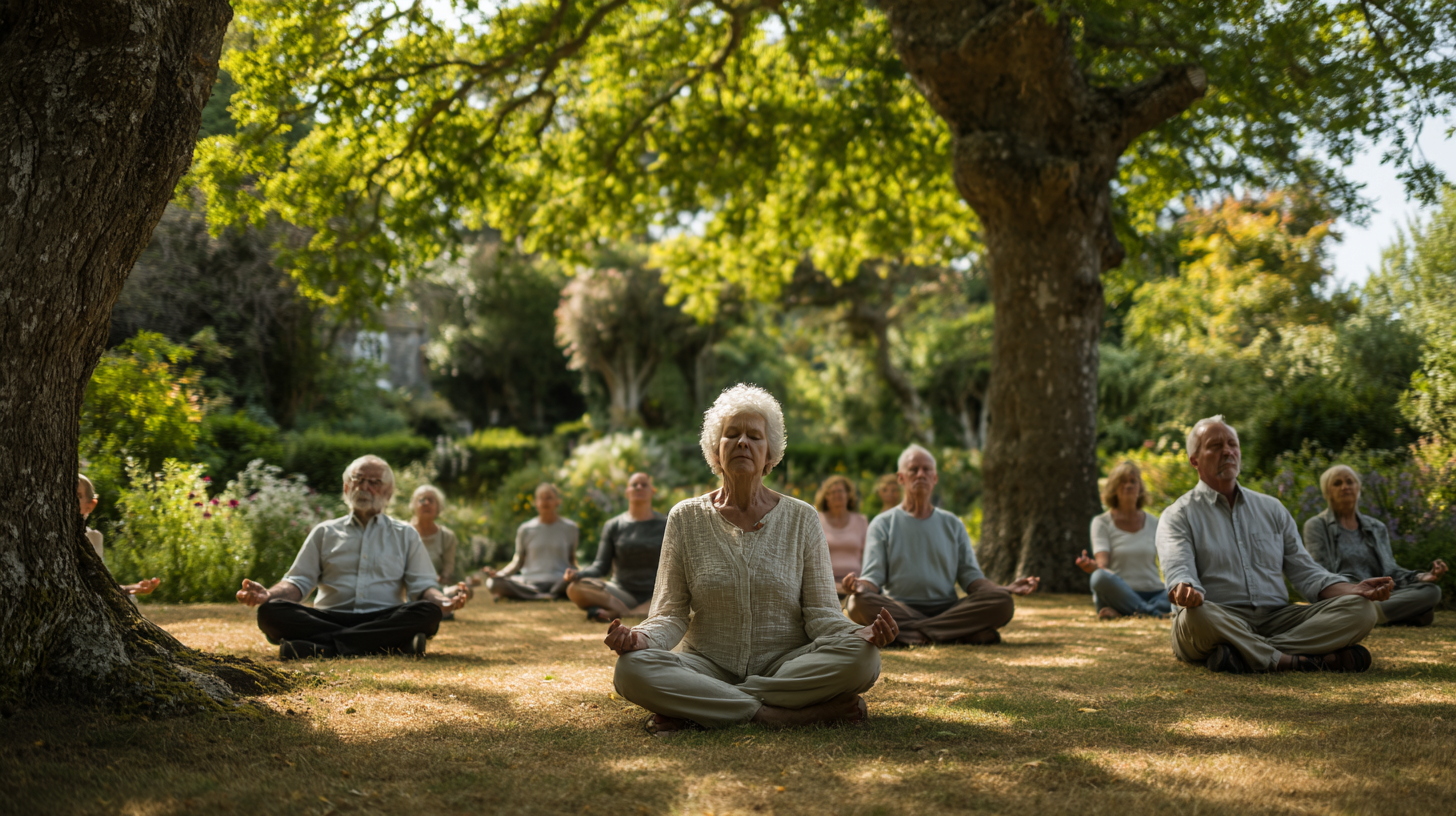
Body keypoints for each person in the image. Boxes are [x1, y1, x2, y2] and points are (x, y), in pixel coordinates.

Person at [606, 384, 898, 734]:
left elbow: (822, 614)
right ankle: (783, 715)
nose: (742, 442)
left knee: (864, 660)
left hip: (787, 666)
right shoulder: (685, 518)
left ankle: (704, 706)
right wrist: (639, 639)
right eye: (732, 434)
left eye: (754, 436)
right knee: (631, 670)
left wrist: (858, 633)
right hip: (706, 664)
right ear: (715, 451)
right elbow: (669, 613)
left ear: (770, 455)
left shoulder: (802, 518)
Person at [1157, 416, 1393, 674]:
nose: (1227, 451)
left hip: (1277, 620)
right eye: (1215, 445)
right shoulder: (1178, 514)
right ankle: (1294, 660)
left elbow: (1306, 572)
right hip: (1218, 618)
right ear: (1195, 459)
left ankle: (1246, 654)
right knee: (1196, 617)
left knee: (1362, 610)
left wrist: (1354, 589)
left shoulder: (1272, 508)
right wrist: (1185, 589)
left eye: (1232, 444)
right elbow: (1179, 569)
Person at [235, 455, 470, 660]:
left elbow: (423, 587)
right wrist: (268, 594)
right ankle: (387, 645)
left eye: (374, 482)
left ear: (388, 493)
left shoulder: (405, 534)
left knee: (428, 612)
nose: (364, 487)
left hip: (383, 617)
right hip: (329, 616)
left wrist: (442, 602)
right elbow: (298, 582)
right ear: (346, 487)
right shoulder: (325, 531)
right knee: (271, 611)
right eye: (358, 480)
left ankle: (321, 648)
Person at [842, 444, 1039, 646]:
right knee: (857, 603)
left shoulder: (953, 523)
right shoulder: (882, 523)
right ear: (901, 477)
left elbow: (973, 580)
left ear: (934, 478)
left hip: (948, 609)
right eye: (913, 469)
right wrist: (859, 586)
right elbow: (872, 580)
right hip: (900, 609)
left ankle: (912, 635)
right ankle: (956, 634)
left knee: (1003, 602)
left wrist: (1005, 588)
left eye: (926, 470)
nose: (920, 474)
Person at [1303, 464, 1446, 627]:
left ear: (1358, 487)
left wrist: (1423, 577)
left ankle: (1368, 614)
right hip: (1347, 596)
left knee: (1432, 591)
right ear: (1327, 492)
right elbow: (1321, 576)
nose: (1345, 487)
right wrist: (1356, 590)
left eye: (1350, 482)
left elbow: (1391, 571)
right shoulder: (1316, 526)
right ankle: (1380, 613)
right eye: (1337, 483)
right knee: (1424, 615)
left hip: (1380, 596)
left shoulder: (1376, 527)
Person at [565, 472, 666, 622]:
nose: (639, 487)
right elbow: (600, 567)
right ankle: (628, 612)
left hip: (656, 594)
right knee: (574, 588)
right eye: (634, 485)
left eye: (644, 485)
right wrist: (577, 575)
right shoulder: (613, 525)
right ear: (627, 491)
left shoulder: (666, 524)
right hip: (621, 593)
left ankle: (615, 613)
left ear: (652, 491)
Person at [1074, 462, 1168, 619]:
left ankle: (1132, 613)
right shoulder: (1101, 522)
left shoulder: (1155, 522)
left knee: (1188, 585)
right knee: (1099, 577)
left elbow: (1171, 562)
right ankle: (1154, 613)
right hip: (1120, 596)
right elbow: (1102, 565)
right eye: (1122, 482)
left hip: (1156, 594)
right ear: (1114, 489)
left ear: (1140, 487)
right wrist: (1093, 566)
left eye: (1133, 481)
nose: (1128, 485)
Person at [484, 483, 578, 601]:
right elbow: (517, 561)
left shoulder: (570, 528)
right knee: (492, 583)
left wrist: (579, 575)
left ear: (558, 501)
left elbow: (572, 560)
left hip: (559, 582)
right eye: (541, 498)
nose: (545, 502)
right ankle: (544, 597)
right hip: (529, 582)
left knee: (581, 582)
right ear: (535, 502)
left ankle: (537, 596)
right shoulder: (526, 529)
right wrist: (500, 575)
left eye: (549, 498)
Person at [78, 474, 160, 597]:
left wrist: (133, 588)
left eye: (77, 496)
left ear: (91, 505)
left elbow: (97, 585)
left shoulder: (94, 538)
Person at [409, 484, 472, 618]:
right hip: (408, 589)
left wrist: (441, 577)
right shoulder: (402, 532)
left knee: (464, 591)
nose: (426, 503)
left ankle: (437, 606)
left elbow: (448, 568)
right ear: (414, 505)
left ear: (438, 508)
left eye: (431, 500)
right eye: (422, 500)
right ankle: (438, 609)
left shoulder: (447, 536)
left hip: (437, 588)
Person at [815, 475, 868, 589]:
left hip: (855, 583)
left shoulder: (861, 521)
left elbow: (867, 555)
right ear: (826, 496)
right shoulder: (817, 520)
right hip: (824, 584)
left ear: (848, 495)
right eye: (832, 492)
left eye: (840, 491)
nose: (837, 495)